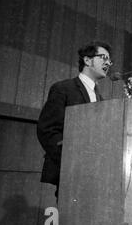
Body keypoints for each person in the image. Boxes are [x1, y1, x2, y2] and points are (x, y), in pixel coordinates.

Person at [37, 41, 113, 193]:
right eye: (103, 57)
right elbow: (47, 130)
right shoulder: (63, 89)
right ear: (87, 60)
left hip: (96, 176)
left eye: (109, 60)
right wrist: (70, 161)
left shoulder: (102, 100)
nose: (108, 63)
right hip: (70, 174)